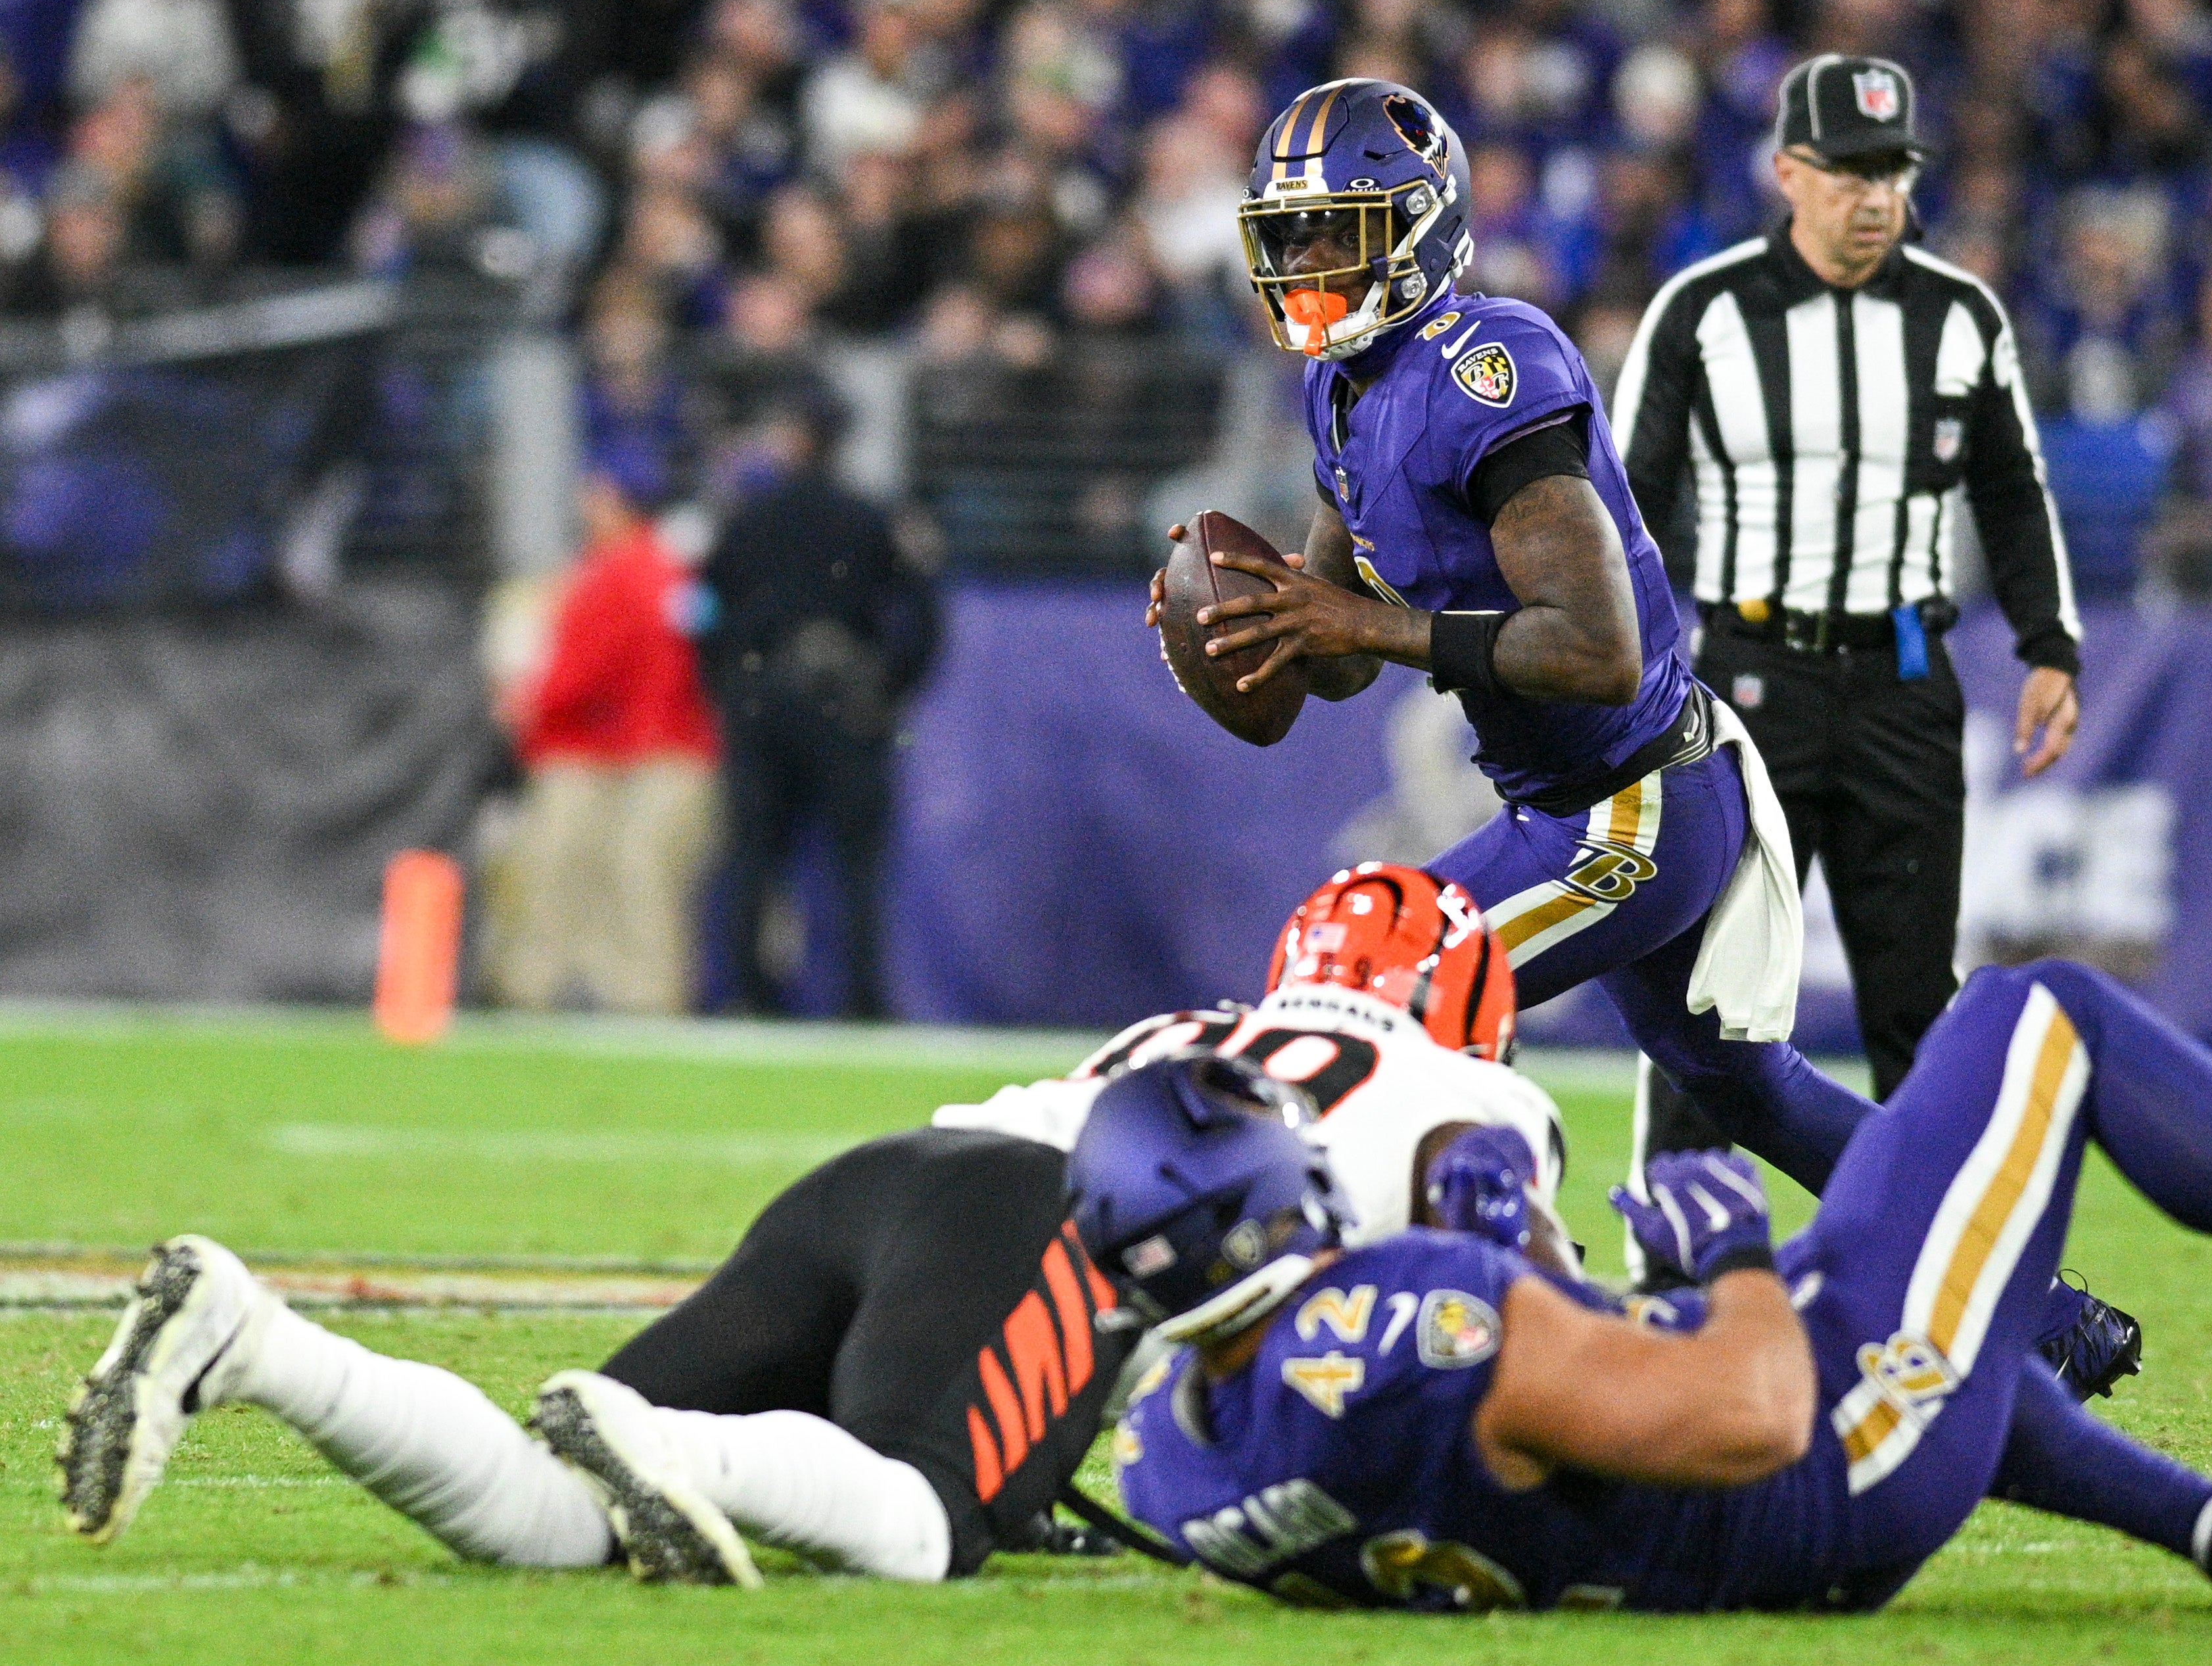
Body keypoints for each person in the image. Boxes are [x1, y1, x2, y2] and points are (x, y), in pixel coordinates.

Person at [1154, 76, 2135, 1391]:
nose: (1312, 261)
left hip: (1636, 799)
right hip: (1571, 801)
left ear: (1422, 227)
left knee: (1373, 996)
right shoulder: (1341, 390)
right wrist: (1258, 630)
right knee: (1750, 1089)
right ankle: (2050, 1315)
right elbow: (1336, 658)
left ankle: (1473, 1331)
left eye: (1343, 229)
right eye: (1296, 235)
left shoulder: (1486, 369)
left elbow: (1593, 646)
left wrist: (1362, 624)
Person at [58, 868, 1569, 1587]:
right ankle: (678, 1449)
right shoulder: (1472, 1095)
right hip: (1037, 1229)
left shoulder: (1188, 1025)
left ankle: (255, 1341)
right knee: (926, 1521)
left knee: (553, 1514)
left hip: (898, 1174)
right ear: (1467, 1007)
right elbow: (1503, 1306)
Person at [1077, 963, 2212, 1615]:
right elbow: (1754, 1409)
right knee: (2040, 1016)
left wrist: (1521, 1260)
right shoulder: (1410, 1315)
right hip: (1818, 1468)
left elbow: (1531, 1425)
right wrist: (1727, 1256)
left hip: (1672, 1534)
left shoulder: (1175, 1455)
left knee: (1932, 1297)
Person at [1612, 54, 2083, 1120]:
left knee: (1915, 994)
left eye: (1891, 172)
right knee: (1711, 980)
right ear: (1787, 171)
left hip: (1903, 680)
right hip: (1749, 677)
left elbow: (2011, 489)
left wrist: (2049, 645)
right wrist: (1625, 666)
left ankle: (1917, 1223)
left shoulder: (1959, 314)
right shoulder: (1703, 310)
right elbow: (1626, 504)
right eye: (1848, 171)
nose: (1874, 197)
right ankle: (1684, 1216)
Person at [697, 381, 939, 1018]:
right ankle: (863, 1000)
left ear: (793, 438)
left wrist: (726, 686)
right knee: (858, 864)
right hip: (846, 704)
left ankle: (748, 993)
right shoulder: (872, 518)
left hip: (761, 701)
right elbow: (923, 613)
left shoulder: (746, 518)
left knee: (754, 854)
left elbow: (701, 607)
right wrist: (892, 685)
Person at [493, 465, 720, 1016]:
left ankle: (557, 992)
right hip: (654, 746)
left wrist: (531, 705)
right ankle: (635, 994)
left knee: (577, 872)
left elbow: (585, 664)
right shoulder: (669, 568)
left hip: (614, 748)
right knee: (632, 874)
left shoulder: (617, 570)